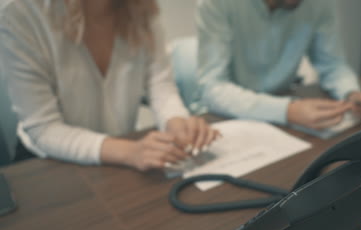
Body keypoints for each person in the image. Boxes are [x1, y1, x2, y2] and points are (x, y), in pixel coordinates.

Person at [0, 0, 218, 171]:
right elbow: (44, 128)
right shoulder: (20, 13)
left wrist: (176, 121)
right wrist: (131, 152)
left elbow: (160, 86)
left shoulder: (141, 8)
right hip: (49, 162)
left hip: (119, 158)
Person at [174, 0, 361, 130]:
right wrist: (287, 111)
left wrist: (352, 94)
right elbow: (213, 90)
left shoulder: (320, 3)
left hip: (281, 113)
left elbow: (332, 63)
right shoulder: (217, 3)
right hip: (226, 115)